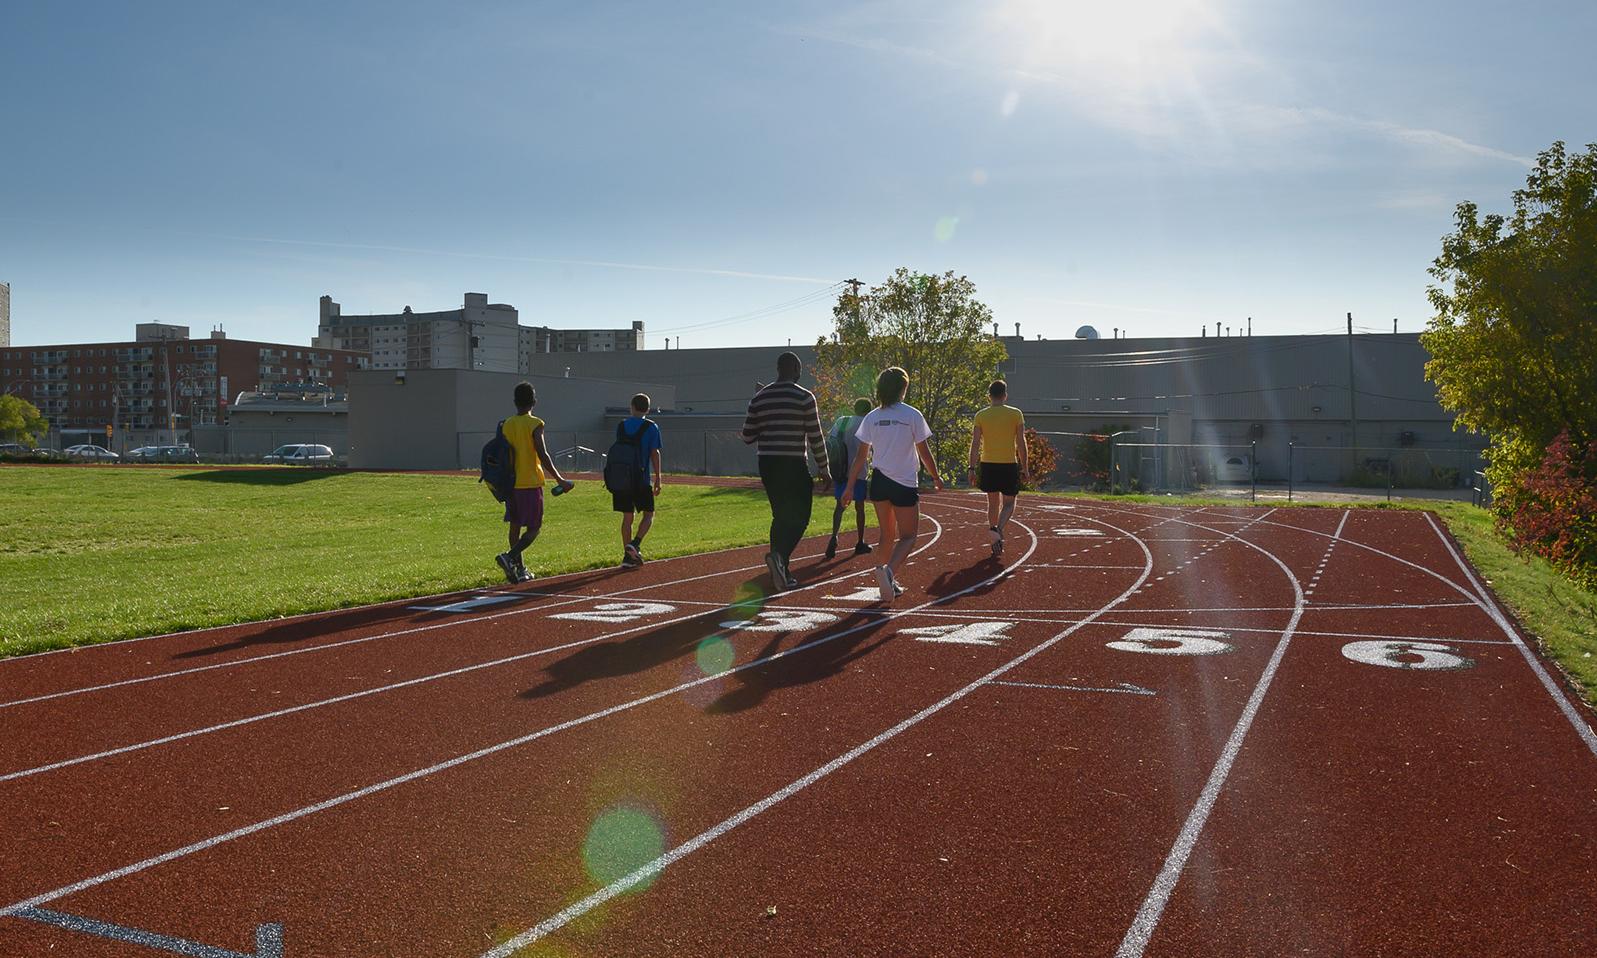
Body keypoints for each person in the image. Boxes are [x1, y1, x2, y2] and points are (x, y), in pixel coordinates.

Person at [842, 366, 944, 602]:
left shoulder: (872, 417)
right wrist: (936, 476)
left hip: (878, 482)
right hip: (904, 482)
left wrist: (849, 487)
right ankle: (888, 573)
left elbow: (860, 457)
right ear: (903, 388)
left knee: (886, 535)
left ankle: (883, 576)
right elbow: (924, 452)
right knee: (908, 536)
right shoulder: (912, 415)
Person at [741, 351, 829, 591]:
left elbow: (747, 436)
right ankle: (779, 557)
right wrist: (824, 467)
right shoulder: (804, 397)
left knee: (780, 515)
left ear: (778, 369)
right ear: (796, 370)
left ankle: (781, 569)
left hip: (768, 463)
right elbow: (815, 435)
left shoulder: (760, 398)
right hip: (793, 462)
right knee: (800, 515)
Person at [497, 381, 573, 583]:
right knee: (534, 528)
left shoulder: (507, 424)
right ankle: (509, 557)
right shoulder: (535, 424)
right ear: (534, 402)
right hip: (530, 482)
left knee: (514, 526)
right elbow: (542, 453)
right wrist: (560, 479)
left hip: (511, 483)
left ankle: (520, 569)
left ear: (515, 402)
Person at [968, 379, 1027, 556]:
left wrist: (971, 468)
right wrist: (1025, 467)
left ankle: (994, 531)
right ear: (1005, 395)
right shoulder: (1016, 414)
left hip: (988, 464)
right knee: (1009, 503)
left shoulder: (981, 415)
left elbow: (975, 443)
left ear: (989, 396)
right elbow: (1021, 442)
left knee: (992, 503)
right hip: (1008, 463)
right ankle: (998, 529)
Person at [614, 393, 663, 567]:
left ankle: (627, 556)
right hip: (641, 478)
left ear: (631, 407)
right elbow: (654, 452)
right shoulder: (651, 427)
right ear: (648, 409)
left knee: (627, 517)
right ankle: (635, 543)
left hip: (622, 478)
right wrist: (658, 477)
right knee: (649, 514)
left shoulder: (621, 426)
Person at [825, 397, 875, 559]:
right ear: (868, 411)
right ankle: (860, 541)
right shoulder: (867, 424)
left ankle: (834, 536)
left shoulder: (842, 421)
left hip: (841, 470)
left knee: (839, 507)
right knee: (859, 508)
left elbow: (830, 441)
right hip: (859, 472)